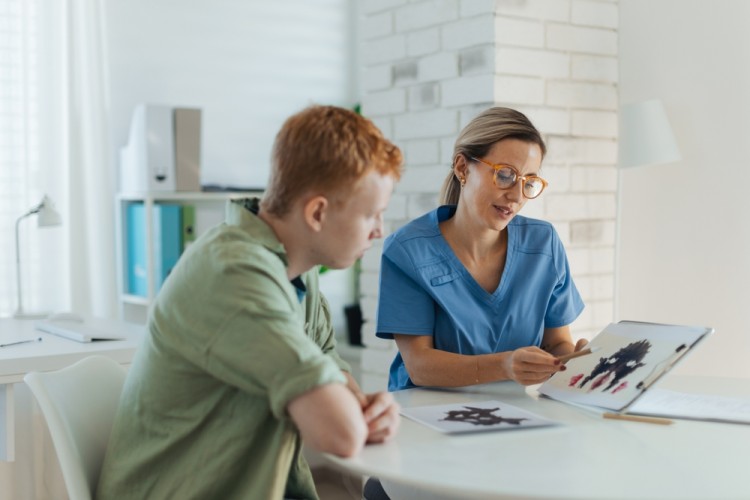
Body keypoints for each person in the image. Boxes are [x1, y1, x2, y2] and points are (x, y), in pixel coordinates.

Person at [97, 105, 402, 500]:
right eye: (372, 215)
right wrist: (352, 414)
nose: (379, 231)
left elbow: (335, 381)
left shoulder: (296, 266)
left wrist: (368, 411)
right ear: (317, 212)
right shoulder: (234, 274)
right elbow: (340, 434)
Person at [376, 106, 586, 392]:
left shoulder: (543, 243)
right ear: (463, 168)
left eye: (529, 182)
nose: (516, 195)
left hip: (511, 411)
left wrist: (570, 360)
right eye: (505, 175)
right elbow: (419, 365)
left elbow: (556, 342)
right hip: (424, 414)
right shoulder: (408, 251)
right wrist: (504, 365)